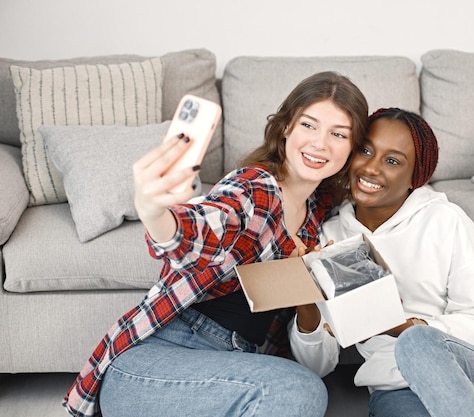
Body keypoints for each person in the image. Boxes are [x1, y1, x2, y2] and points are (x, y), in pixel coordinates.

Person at [62, 71, 369, 417]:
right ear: (286, 128)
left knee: (302, 388)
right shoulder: (255, 189)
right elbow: (206, 228)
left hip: (230, 373)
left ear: (353, 149)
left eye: (338, 134)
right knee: (297, 389)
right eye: (309, 126)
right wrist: (156, 213)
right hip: (156, 366)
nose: (320, 144)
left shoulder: (317, 217)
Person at [290, 108, 474, 417]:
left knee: (416, 342)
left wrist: (403, 328)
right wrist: (306, 308)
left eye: (392, 160)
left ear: (416, 177)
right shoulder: (331, 237)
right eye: (365, 150)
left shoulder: (446, 220)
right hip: (396, 388)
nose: (371, 168)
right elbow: (316, 366)